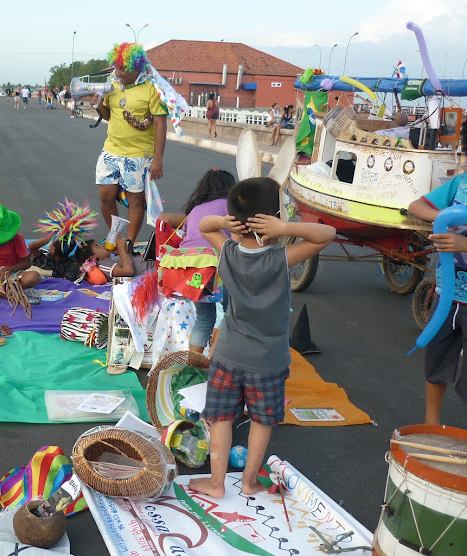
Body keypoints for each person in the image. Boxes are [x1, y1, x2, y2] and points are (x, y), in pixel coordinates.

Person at [189, 177, 335, 498]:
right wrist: (285, 231)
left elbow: (204, 225)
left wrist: (228, 225)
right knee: (260, 421)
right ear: (273, 218)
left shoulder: (227, 252)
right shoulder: (279, 259)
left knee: (221, 419)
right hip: (267, 362)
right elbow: (327, 234)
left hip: (226, 355)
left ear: (234, 221)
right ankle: (249, 481)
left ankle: (216, 483)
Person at [93, 43, 170, 244]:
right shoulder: (112, 84)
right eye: (116, 67)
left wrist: (158, 160)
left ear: (137, 67)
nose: (118, 72)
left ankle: (128, 242)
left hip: (139, 155)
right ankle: (114, 236)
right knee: (105, 196)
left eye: (123, 68)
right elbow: (108, 116)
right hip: (110, 150)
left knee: (136, 200)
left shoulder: (153, 88)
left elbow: (161, 126)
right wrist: (99, 104)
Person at [407, 174, 467, 425]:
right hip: (446, 295)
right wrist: (444, 217)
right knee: (436, 358)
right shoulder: (460, 183)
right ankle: (430, 425)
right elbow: (415, 207)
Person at [158, 168, 236, 353]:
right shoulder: (229, 207)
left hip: (192, 269)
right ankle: (217, 362)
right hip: (214, 264)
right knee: (233, 313)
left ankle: (193, 365)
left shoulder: (194, 210)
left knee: (204, 318)